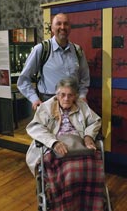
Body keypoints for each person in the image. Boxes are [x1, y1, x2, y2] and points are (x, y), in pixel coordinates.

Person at [26, 77, 104, 210]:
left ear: (75, 96)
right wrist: (53, 142)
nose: (66, 98)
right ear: (57, 95)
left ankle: (87, 204)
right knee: (69, 169)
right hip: (53, 146)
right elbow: (35, 127)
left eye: (70, 95)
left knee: (92, 160)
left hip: (79, 145)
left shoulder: (82, 105)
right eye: (62, 95)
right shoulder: (46, 107)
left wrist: (88, 136)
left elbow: (95, 121)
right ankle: (65, 205)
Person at [17, 13, 90, 110]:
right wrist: (34, 99)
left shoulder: (77, 51)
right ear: (52, 28)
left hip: (73, 103)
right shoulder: (41, 49)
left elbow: (84, 78)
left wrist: (82, 95)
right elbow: (23, 80)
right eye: (58, 24)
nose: (62, 27)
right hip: (49, 104)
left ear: (70, 28)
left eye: (66, 24)